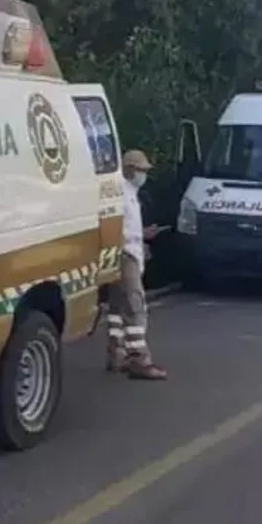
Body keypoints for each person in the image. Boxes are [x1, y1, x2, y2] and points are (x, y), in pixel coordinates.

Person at [105, 150, 168, 380]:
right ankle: (139, 358)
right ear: (130, 169)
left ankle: (117, 353)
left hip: (127, 250)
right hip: (125, 253)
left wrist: (143, 236)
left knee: (116, 308)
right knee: (135, 306)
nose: (145, 175)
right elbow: (119, 227)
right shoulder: (122, 191)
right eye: (142, 170)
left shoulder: (129, 191)